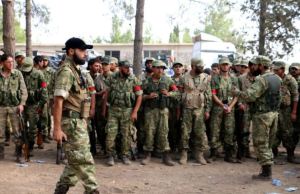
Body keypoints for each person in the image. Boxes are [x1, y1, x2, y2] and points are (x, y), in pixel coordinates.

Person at [53, 37, 99, 194]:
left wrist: (84, 119)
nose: (85, 54)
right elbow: (58, 101)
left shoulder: (77, 71)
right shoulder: (66, 72)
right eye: (82, 50)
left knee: (75, 162)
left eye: (86, 51)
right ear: (71, 51)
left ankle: (60, 190)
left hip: (78, 121)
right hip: (71, 123)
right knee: (85, 161)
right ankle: (93, 191)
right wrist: (57, 129)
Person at [232, 55, 281, 180]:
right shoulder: (276, 78)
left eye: (255, 65)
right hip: (273, 114)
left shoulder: (262, 79)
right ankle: (267, 169)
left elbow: (250, 96)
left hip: (262, 115)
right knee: (268, 142)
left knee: (261, 143)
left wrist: (237, 92)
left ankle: (266, 173)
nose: (252, 67)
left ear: (261, 66)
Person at [105, 60, 143, 166]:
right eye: (126, 68)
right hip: (113, 110)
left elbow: (139, 96)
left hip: (127, 110)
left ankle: (125, 155)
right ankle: (110, 155)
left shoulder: (133, 79)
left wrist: (135, 112)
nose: (128, 69)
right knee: (110, 134)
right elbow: (106, 93)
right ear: (120, 68)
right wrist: (104, 110)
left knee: (126, 134)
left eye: (129, 68)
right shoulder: (112, 77)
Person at [141, 60, 179, 166]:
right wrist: (148, 96)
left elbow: (177, 92)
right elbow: (139, 95)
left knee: (164, 132)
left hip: (163, 110)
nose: (160, 70)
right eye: (158, 68)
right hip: (150, 111)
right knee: (149, 132)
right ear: (153, 68)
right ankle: (147, 154)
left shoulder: (168, 80)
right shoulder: (146, 81)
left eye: (162, 68)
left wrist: (169, 93)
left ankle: (166, 156)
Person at [179, 58, 211, 165]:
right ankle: (184, 154)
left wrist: (207, 110)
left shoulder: (205, 78)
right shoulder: (183, 78)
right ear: (193, 66)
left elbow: (208, 95)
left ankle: (199, 154)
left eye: (202, 66)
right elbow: (179, 94)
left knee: (199, 132)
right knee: (185, 132)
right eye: (199, 67)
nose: (202, 68)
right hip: (187, 109)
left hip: (200, 109)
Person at [210, 57, 239, 163]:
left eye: (227, 64)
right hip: (218, 107)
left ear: (230, 66)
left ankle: (228, 154)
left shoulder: (234, 79)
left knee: (229, 130)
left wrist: (230, 106)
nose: (225, 66)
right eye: (223, 64)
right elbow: (213, 94)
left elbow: (237, 95)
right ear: (219, 66)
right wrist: (222, 105)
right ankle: (214, 153)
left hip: (230, 108)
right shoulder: (215, 79)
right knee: (215, 130)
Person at [0, 54, 28, 163]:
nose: (11, 64)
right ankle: (1, 152)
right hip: (1, 107)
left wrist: (22, 104)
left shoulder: (17, 74)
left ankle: (19, 154)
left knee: (17, 131)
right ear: (2, 63)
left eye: (12, 62)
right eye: (8, 62)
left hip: (14, 107)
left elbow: (23, 90)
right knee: (0, 132)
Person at [272, 61, 299, 164]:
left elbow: (295, 96)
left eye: (276, 70)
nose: (274, 71)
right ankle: (273, 154)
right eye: (273, 70)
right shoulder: (273, 78)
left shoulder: (290, 80)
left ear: (282, 70)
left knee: (287, 132)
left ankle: (290, 155)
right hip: (275, 109)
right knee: (274, 131)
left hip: (286, 111)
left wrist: (294, 112)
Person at [20, 57, 48, 151]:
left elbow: (44, 89)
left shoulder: (39, 74)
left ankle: (31, 146)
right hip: (22, 104)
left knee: (33, 127)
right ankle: (23, 145)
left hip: (34, 104)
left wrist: (41, 104)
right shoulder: (20, 73)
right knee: (21, 126)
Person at [236, 58, 257, 161]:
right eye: (251, 65)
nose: (253, 67)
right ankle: (244, 151)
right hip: (246, 106)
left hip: (257, 107)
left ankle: (257, 152)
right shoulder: (241, 78)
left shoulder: (260, 78)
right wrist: (240, 103)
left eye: (255, 65)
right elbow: (237, 92)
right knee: (244, 130)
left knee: (257, 130)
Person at [169, 61, 184, 152]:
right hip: (173, 106)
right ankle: (173, 145)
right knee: (172, 126)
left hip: (184, 106)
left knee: (183, 127)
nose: (178, 68)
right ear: (173, 69)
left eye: (179, 66)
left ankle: (182, 146)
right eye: (176, 67)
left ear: (182, 68)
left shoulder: (186, 79)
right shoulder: (170, 80)